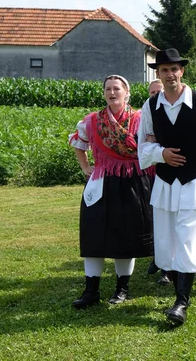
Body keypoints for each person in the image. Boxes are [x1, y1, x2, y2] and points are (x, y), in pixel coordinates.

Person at [138, 48, 196, 325]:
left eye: (174, 69)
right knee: (169, 242)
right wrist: (161, 154)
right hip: (165, 184)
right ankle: (179, 294)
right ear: (158, 74)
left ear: (182, 71)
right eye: (164, 70)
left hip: (193, 182)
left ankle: (181, 302)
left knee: (188, 238)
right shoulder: (150, 106)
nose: (170, 74)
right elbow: (142, 146)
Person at [69, 75, 154, 309]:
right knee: (94, 234)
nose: (112, 92)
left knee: (126, 236)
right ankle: (91, 290)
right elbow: (79, 143)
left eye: (117, 88)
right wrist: (86, 167)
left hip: (133, 183)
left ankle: (122, 289)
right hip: (102, 183)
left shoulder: (141, 119)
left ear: (127, 92)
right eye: (108, 89)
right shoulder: (93, 121)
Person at [144, 79, 174, 287]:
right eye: (152, 92)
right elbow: (144, 141)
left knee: (171, 221)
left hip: (170, 172)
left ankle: (168, 269)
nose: (155, 95)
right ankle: (158, 257)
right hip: (148, 173)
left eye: (158, 92)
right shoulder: (147, 113)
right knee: (156, 219)